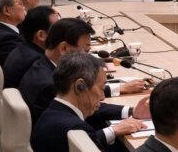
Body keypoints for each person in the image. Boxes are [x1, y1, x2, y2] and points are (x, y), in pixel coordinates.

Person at [30, 52, 142, 152]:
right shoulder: (75, 129)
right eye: (101, 88)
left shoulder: (53, 113)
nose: (102, 97)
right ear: (79, 86)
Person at [19, 18, 147, 124]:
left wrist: (119, 89)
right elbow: (84, 107)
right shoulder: (47, 84)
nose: (88, 55)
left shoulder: (43, 65)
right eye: (86, 50)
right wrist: (131, 111)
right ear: (64, 48)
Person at [3, 5, 59, 89]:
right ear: (41, 35)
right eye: (57, 28)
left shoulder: (24, 48)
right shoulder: (36, 61)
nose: (62, 32)